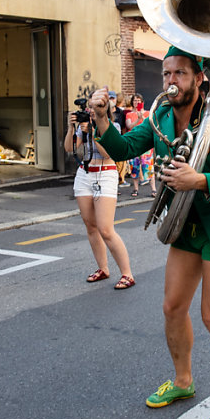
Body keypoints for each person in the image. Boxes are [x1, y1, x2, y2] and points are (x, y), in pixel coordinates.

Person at [90, 46, 210, 419]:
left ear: (199, 78)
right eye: (167, 74)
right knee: (172, 308)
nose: (171, 82)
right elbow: (125, 148)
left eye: (180, 74)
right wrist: (102, 121)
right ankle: (183, 381)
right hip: (186, 226)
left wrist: (197, 179)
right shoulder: (162, 115)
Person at [63, 104, 134, 290]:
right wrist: (72, 127)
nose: (91, 112)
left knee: (106, 229)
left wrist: (94, 131)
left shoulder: (113, 127)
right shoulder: (82, 125)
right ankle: (103, 269)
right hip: (85, 174)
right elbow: (69, 148)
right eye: (88, 108)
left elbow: (106, 153)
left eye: (94, 108)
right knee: (91, 226)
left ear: (104, 110)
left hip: (105, 174)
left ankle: (127, 273)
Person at [125, 93, 157, 198]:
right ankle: (135, 188)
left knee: (148, 166)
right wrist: (138, 119)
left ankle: (153, 189)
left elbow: (151, 125)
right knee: (135, 166)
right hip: (134, 142)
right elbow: (129, 126)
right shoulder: (129, 114)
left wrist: (142, 117)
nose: (137, 102)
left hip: (146, 143)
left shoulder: (148, 113)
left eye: (138, 100)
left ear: (142, 102)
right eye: (134, 100)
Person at [111, 92, 130, 188]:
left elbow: (123, 127)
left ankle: (120, 180)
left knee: (120, 164)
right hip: (110, 142)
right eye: (109, 98)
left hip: (119, 140)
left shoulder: (120, 112)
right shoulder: (105, 112)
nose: (111, 100)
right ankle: (114, 183)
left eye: (112, 98)